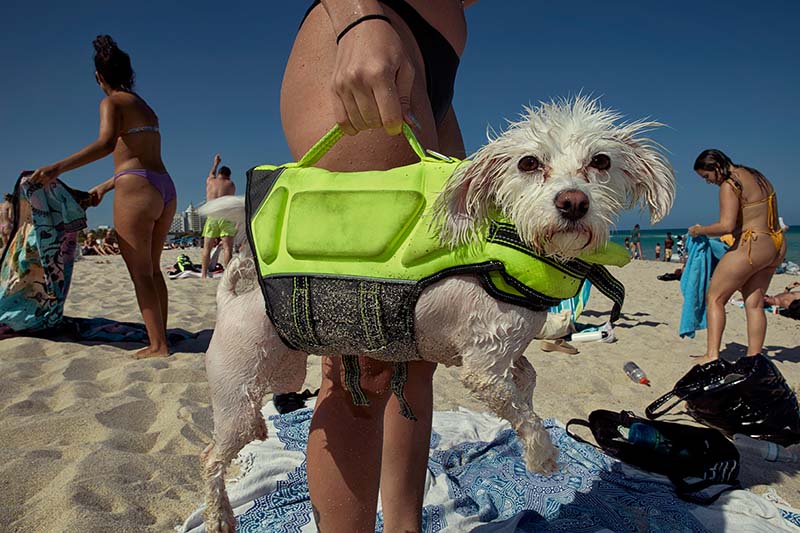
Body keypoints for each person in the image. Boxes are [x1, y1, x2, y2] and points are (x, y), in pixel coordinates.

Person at [281, 1, 475, 530]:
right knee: (359, 364)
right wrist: (359, 17)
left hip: (434, 72)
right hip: (374, 20)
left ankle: (404, 526)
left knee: (417, 350)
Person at [30, 35, 176, 358]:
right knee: (153, 270)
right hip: (164, 187)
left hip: (137, 190)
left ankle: (158, 345)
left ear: (99, 77)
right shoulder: (145, 107)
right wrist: (105, 186)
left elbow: (107, 144)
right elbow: (139, 159)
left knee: (141, 274)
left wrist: (57, 167)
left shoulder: (111, 103)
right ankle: (161, 336)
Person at [689, 149, 786, 364]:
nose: (708, 182)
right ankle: (754, 358)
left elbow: (726, 225)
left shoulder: (730, 184)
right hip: (775, 245)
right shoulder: (757, 176)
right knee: (754, 304)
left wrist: (699, 230)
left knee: (715, 298)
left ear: (716, 166)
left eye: (707, 176)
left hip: (752, 245)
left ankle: (712, 355)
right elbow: (754, 215)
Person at [201, 154, 236, 278]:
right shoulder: (230, 184)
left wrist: (215, 163)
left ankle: (204, 274)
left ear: (219, 173)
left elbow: (211, 174)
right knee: (227, 248)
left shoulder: (211, 181)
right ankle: (227, 275)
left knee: (207, 248)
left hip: (212, 215)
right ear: (229, 175)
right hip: (225, 217)